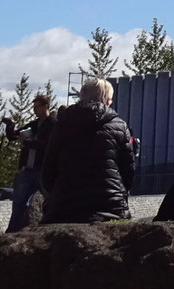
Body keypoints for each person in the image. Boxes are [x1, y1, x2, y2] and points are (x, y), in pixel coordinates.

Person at [41, 78, 135, 225]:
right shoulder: (120, 126)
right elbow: (128, 172)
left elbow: (48, 171)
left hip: (64, 207)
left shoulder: (62, 125)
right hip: (110, 208)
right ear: (107, 100)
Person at [5, 94, 53, 233]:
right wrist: (10, 126)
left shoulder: (53, 124)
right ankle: (11, 232)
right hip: (28, 168)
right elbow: (14, 136)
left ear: (46, 107)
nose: (34, 110)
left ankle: (49, 229)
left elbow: (48, 146)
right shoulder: (34, 124)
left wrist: (28, 143)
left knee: (50, 202)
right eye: (33, 107)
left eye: (37, 107)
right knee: (19, 203)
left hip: (44, 169)